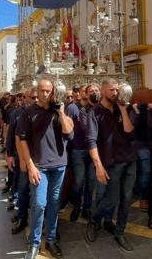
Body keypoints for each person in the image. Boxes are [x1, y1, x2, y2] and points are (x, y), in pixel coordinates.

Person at [18, 79, 73, 259]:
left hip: (59, 166)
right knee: (39, 204)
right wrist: (30, 165)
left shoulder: (58, 111)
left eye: (48, 91)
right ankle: (34, 243)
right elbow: (22, 140)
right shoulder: (28, 112)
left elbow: (68, 133)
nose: (44, 94)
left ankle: (50, 240)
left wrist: (61, 112)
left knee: (54, 203)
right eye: (41, 91)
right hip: (39, 167)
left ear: (53, 91)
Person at [85, 78, 136, 252]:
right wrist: (98, 166)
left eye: (117, 90)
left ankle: (120, 233)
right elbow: (91, 141)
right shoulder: (95, 112)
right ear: (103, 90)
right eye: (112, 90)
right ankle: (94, 220)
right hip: (112, 163)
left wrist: (123, 111)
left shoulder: (122, 108)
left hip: (129, 161)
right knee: (111, 200)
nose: (115, 93)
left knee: (127, 199)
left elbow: (129, 133)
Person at [8, 88, 37, 234]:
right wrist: (10, 155)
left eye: (36, 97)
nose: (35, 100)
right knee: (23, 188)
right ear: (25, 98)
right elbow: (13, 135)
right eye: (31, 97)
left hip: (39, 158)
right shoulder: (17, 113)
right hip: (22, 157)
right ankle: (21, 216)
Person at [67, 85, 95, 222]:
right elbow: (67, 128)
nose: (84, 94)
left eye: (87, 92)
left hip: (92, 150)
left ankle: (87, 208)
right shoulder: (72, 108)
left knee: (90, 181)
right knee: (78, 181)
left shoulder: (94, 107)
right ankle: (77, 206)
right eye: (83, 91)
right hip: (77, 149)